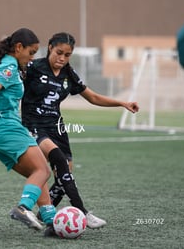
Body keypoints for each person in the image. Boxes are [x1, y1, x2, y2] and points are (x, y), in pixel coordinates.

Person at [21, 32, 140, 231]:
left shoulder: (69, 73)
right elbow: (9, 84)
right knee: (58, 160)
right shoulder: (33, 68)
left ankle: (46, 214)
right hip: (33, 125)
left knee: (65, 171)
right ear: (50, 47)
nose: (62, 58)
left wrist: (122, 102)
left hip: (56, 127)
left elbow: (92, 97)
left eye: (67, 55)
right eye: (59, 53)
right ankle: (82, 211)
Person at [0, 28, 56, 232]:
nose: (33, 57)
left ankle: (50, 218)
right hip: (6, 127)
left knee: (37, 173)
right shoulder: (9, 66)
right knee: (43, 169)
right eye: (31, 52)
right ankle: (23, 208)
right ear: (19, 47)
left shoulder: (3, 63)